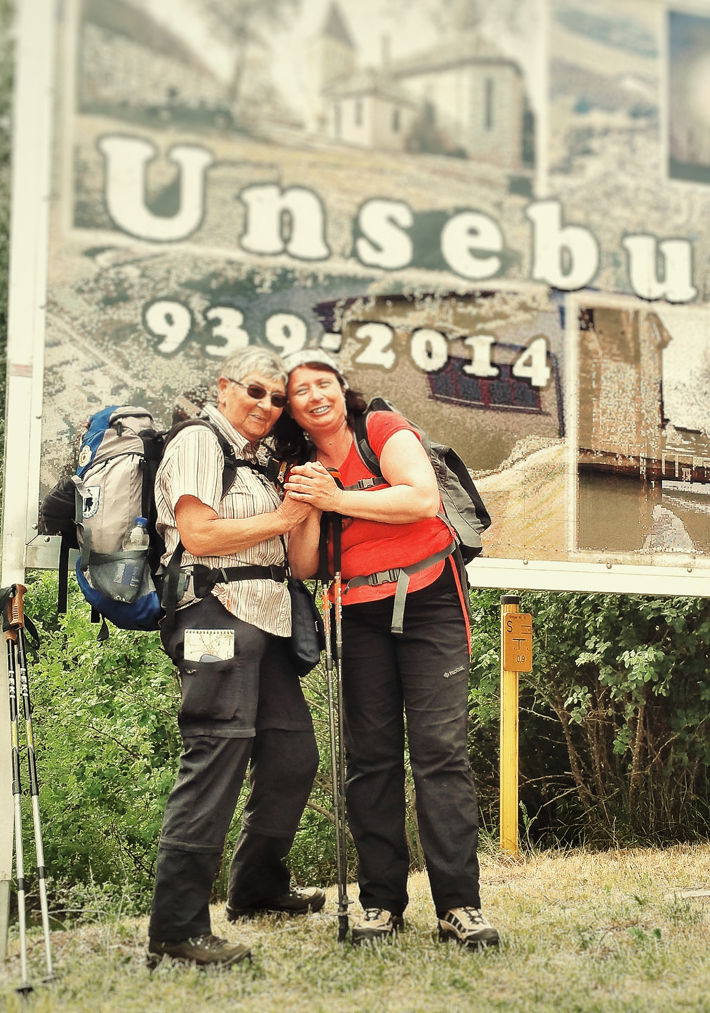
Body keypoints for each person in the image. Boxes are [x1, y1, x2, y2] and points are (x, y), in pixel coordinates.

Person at [275, 349, 500, 949]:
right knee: (370, 759)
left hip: (431, 600)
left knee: (439, 755)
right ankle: (381, 903)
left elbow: (422, 498)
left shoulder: (380, 426)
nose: (316, 396)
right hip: (356, 613)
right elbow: (301, 564)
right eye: (301, 391)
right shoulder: (297, 464)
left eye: (324, 383)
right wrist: (306, 504)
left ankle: (459, 905)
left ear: (342, 388)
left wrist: (337, 498)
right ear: (290, 409)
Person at [144, 347, 325, 969]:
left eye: (277, 399)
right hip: (209, 616)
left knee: (295, 755)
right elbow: (199, 535)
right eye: (256, 391)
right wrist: (279, 515)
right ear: (225, 388)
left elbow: (301, 563)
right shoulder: (199, 440)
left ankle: (258, 887)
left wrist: (306, 507)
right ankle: (176, 926)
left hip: (267, 623)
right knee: (216, 754)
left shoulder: (266, 462)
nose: (268, 406)